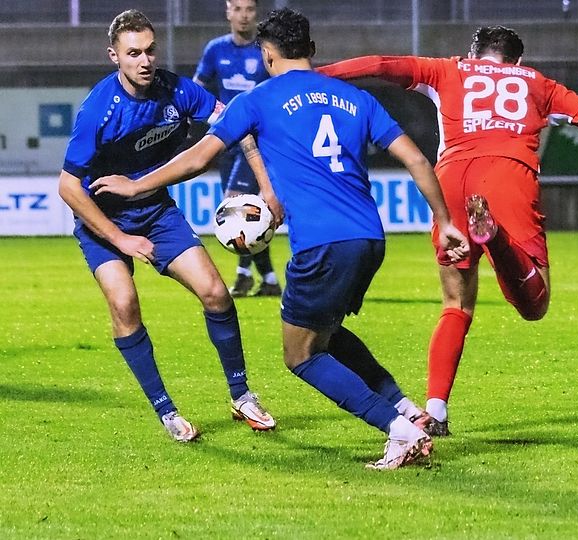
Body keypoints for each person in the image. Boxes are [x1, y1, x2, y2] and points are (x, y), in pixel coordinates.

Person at [91, 8, 470, 470]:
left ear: (267, 55)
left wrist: (136, 185)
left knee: (301, 355)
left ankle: (398, 430)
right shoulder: (356, 99)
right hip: (370, 239)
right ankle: (405, 407)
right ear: (311, 49)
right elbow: (417, 160)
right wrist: (445, 221)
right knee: (325, 332)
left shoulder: (258, 100)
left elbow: (197, 158)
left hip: (322, 246)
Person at [315, 26, 578, 436]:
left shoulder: (447, 70)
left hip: (452, 181)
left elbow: (379, 64)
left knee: (456, 305)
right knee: (534, 306)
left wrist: (317, 75)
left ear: (472, 52)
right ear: (517, 61)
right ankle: (495, 237)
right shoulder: (538, 84)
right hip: (508, 177)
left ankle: (436, 410)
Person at [57, 9, 276, 443]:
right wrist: (120, 238)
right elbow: (67, 186)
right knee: (124, 303)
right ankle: (166, 410)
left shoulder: (178, 90)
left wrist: (266, 187)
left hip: (155, 211)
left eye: (149, 50)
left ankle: (242, 395)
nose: (144, 61)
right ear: (114, 56)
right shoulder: (99, 109)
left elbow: (237, 125)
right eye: (133, 53)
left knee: (215, 293)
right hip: (103, 221)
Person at [194, 0, 280, 297]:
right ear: (228, 12)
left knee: (237, 210)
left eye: (249, 9)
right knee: (248, 213)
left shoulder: (266, 50)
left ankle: (248, 275)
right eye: (238, 9)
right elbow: (198, 87)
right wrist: (203, 113)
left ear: (256, 13)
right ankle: (267, 278)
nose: (244, 15)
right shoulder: (215, 49)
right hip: (227, 144)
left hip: (256, 142)